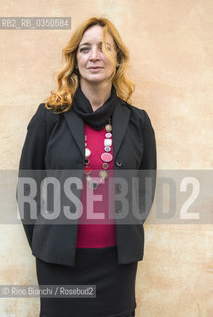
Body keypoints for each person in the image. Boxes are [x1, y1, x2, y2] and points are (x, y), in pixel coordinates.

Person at [17, 17, 157, 317]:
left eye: (105, 47)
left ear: (117, 60)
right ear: (75, 59)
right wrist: (47, 241)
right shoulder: (48, 117)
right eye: (85, 48)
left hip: (117, 265)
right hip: (58, 266)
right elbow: (28, 189)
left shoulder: (138, 121)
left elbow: (145, 191)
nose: (95, 56)